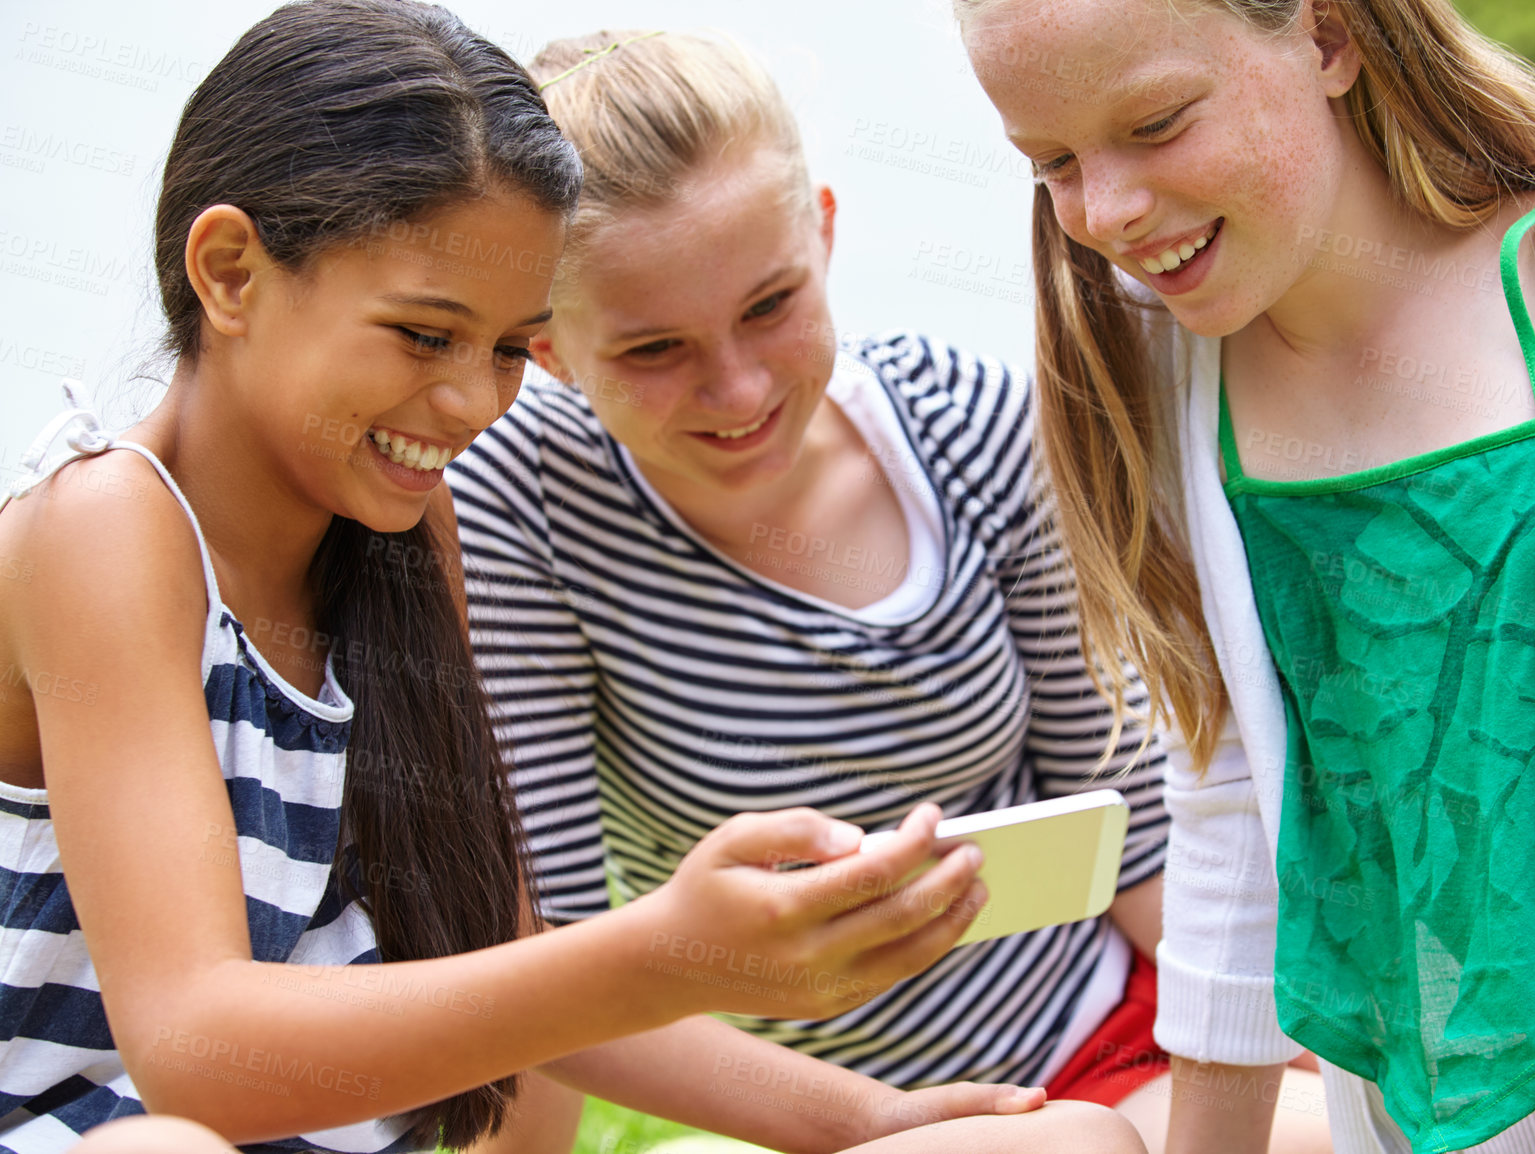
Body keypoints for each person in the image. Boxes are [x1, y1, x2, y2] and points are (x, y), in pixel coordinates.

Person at [0, 3, 1150, 1153]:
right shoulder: (106, 525)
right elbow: (199, 1051)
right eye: (421, 333)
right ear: (231, 272)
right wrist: (663, 953)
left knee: (1066, 1143)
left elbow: (492, 960)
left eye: (506, 348)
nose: (470, 405)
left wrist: (867, 1116)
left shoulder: (404, 527)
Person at [446, 28, 1329, 1154]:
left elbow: (1137, 840)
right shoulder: (519, 510)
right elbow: (543, 959)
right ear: (550, 349)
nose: (739, 388)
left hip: (1111, 1035)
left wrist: (1315, 1052)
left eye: (770, 305)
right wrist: (868, 1121)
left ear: (820, 233)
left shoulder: (974, 427)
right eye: (655, 349)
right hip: (845, 1112)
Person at [952, 0, 1535, 1150]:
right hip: (1458, 1112)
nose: (1106, 210)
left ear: (1323, 36)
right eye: (1053, 162)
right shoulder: (1162, 366)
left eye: (1158, 123)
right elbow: (1232, 812)